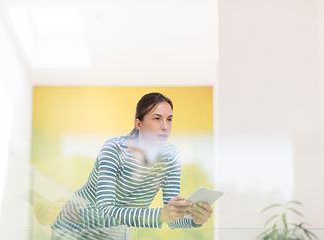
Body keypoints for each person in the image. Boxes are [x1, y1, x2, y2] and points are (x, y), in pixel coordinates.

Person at [51, 92, 213, 239]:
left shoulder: (170, 156)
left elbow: (170, 219)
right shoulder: (113, 149)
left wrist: (194, 218)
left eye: (169, 119)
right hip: (74, 227)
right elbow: (103, 211)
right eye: (157, 118)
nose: (165, 126)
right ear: (138, 124)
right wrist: (160, 216)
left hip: (115, 230)